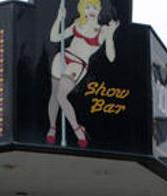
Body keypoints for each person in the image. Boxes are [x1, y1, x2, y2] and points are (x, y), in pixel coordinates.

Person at [46, 0, 119, 148]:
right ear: (83, 9)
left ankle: (77, 129)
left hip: (78, 64)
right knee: (54, 94)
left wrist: (110, 35)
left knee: (61, 95)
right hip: (62, 56)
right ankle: (52, 128)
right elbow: (54, 38)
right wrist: (59, 18)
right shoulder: (77, 24)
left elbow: (111, 58)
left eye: (94, 7)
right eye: (88, 7)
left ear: (99, 10)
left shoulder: (103, 30)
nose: (91, 10)